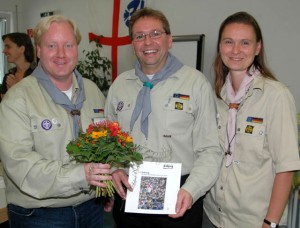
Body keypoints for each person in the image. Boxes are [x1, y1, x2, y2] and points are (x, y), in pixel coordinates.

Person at [105, 7, 222, 228]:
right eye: (140, 36)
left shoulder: (195, 84)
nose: (148, 42)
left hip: (181, 196)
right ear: (133, 44)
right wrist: (114, 168)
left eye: (156, 34)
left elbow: (210, 150)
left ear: (169, 40)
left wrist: (192, 189)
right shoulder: (120, 85)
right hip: (130, 195)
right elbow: (110, 143)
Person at [0, 15, 112, 228]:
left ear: (76, 49)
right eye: (52, 45)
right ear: (39, 50)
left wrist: (106, 183)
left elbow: (104, 143)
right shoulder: (18, 99)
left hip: (92, 209)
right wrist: (81, 175)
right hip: (40, 215)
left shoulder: (93, 91)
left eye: (68, 45)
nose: (61, 54)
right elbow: (21, 165)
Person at [203, 11, 300, 228]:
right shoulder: (215, 97)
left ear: (257, 48)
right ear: (220, 46)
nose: (236, 50)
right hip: (212, 216)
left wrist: (270, 223)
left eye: (245, 43)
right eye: (228, 42)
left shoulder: (276, 96)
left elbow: (286, 167)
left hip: (255, 221)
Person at [0, 32, 36, 101]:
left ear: (22, 49)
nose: (4, 51)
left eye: (8, 47)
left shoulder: (38, 74)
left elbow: (40, 104)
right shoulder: (8, 76)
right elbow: (5, 106)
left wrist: (16, 88)